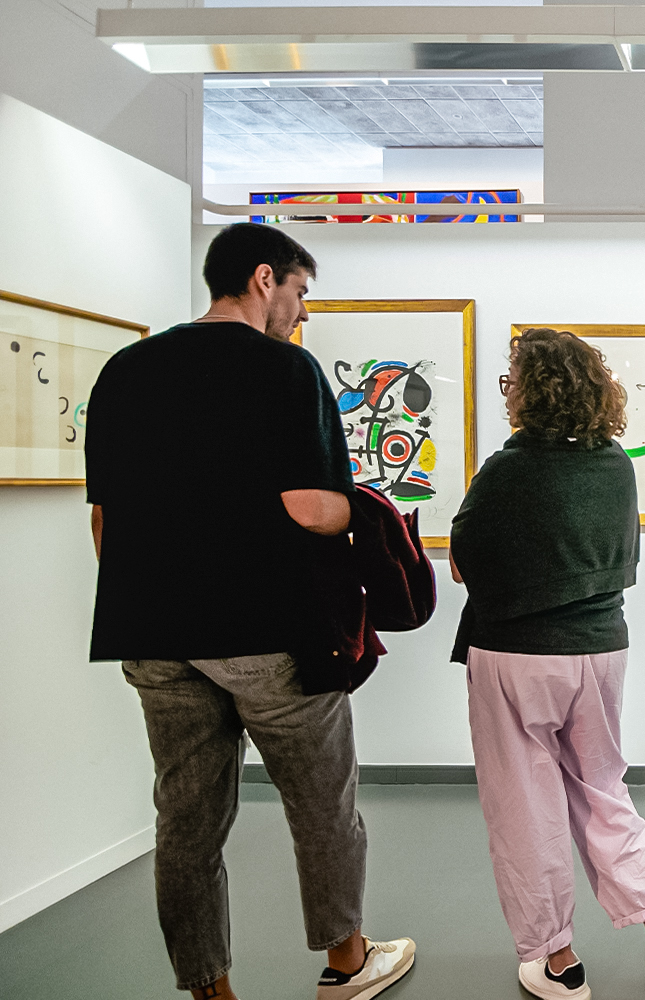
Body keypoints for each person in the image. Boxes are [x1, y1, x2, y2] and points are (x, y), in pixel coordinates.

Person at [86, 223, 415, 1000]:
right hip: (272, 634)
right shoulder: (286, 371)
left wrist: (157, 597)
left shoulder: (124, 372)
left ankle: (212, 990)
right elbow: (310, 508)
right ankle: (346, 962)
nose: (301, 314)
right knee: (322, 806)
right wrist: (362, 514)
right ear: (263, 278)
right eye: (300, 293)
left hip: (155, 635)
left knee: (187, 825)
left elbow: (104, 520)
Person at [449, 328, 645, 1000]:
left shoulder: (508, 470)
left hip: (514, 657)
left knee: (524, 805)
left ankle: (559, 963)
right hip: (599, 650)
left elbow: (464, 562)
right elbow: (622, 560)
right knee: (603, 787)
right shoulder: (615, 464)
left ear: (524, 392)